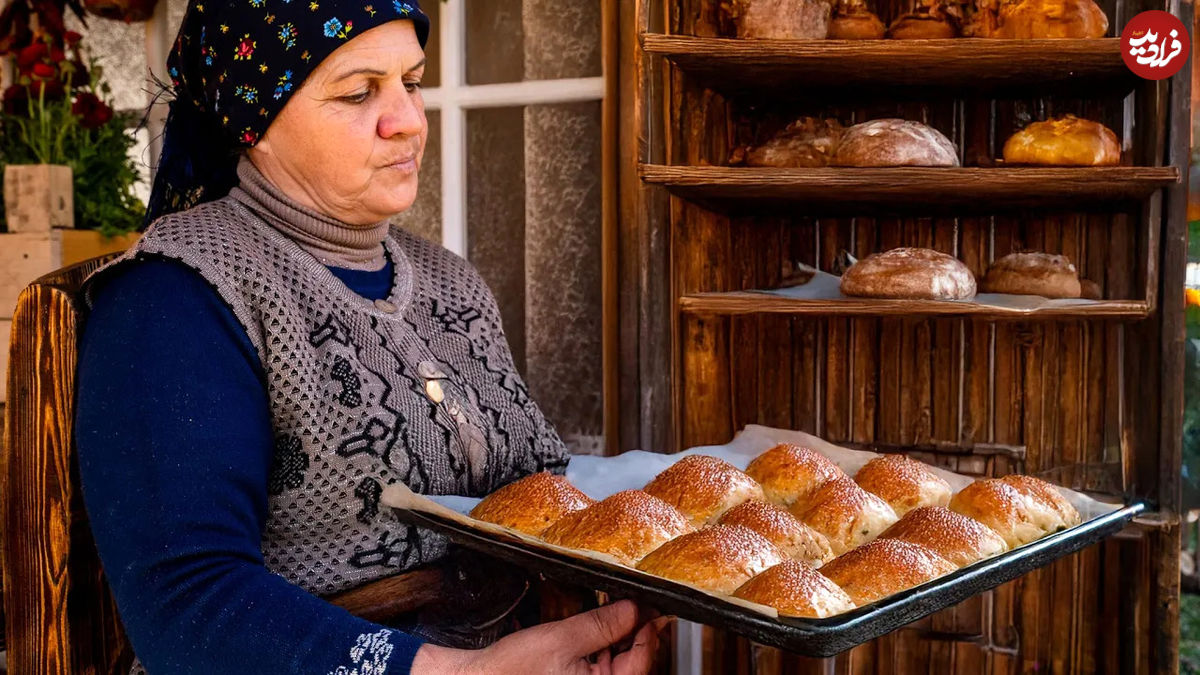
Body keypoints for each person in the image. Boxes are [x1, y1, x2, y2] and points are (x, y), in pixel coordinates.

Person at [73, 1, 666, 673]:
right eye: (358, 93)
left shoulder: (452, 283)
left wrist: (602, 614)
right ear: (255, 121)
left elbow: (533, 498)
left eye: (410, 82)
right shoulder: (173, 301)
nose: (409, 121)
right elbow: (188, 607)